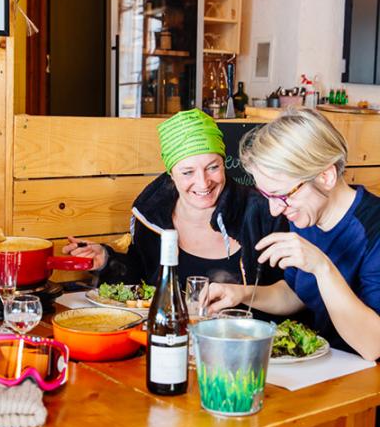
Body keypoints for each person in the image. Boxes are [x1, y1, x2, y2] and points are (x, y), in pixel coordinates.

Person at [63, 109, 287, 318]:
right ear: (171, 173)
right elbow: (142, 279)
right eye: (188, 172)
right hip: (171, 339)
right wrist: (106, 260)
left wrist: (244, 295)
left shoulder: (262, 212)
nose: (203, 182)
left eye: (213, 167)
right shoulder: (152, 214)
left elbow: (293, 293)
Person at [208, 108, 380, 361]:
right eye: (267, 196)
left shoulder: (373, 229)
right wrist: (241, 294)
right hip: (324, 370)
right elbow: (296, 293)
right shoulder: (307, 213)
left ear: (326, 176)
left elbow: (373, 346)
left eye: (282, 195)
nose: (275, 208)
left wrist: (322, 267)